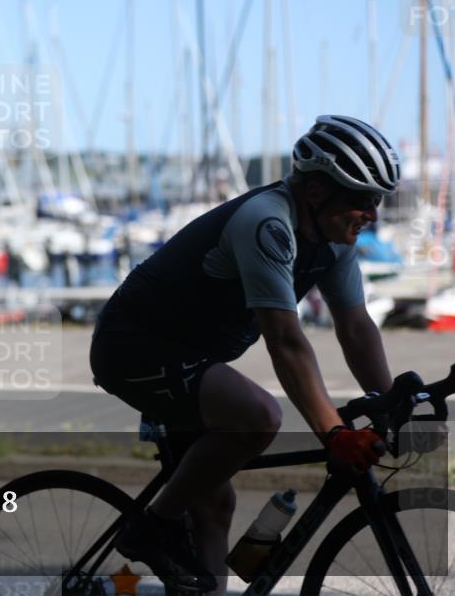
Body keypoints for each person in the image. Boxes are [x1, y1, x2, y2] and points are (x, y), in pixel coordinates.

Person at [90, 115, 399, 594]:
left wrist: (387, 398)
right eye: (362, 199)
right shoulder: (267, 224)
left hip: (186, 354)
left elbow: (356, 327)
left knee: (214, 506)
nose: (372, 213)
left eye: (378, 200)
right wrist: (334, 433)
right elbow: (285, 340)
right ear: (316, 192)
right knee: (255, 417)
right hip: (133, 346)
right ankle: (150, 527)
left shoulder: (333, 243)